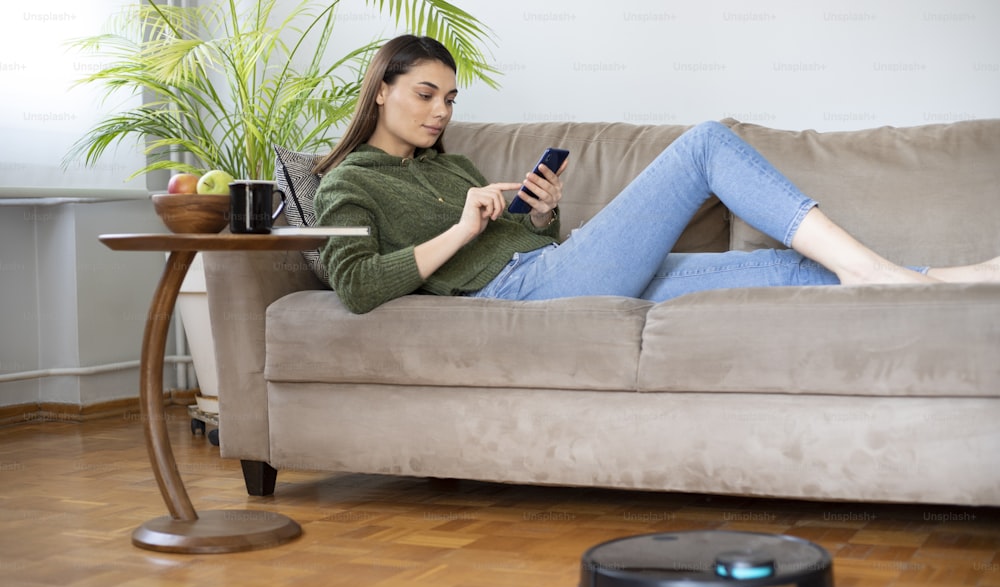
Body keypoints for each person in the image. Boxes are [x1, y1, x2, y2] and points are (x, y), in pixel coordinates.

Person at [313, 35, 999, 315]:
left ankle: (936, 280)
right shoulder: (347, 183)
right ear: (381, 91)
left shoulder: (451, 164)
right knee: (705, 144)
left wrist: (540, 215)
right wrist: (463, 231)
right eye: (426, 94)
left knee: (790, 270)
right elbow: (357, 285)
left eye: (450, 98)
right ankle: (886, 273)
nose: (441, 111)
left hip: (559, 269)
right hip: (519, 294)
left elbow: (531, 244)